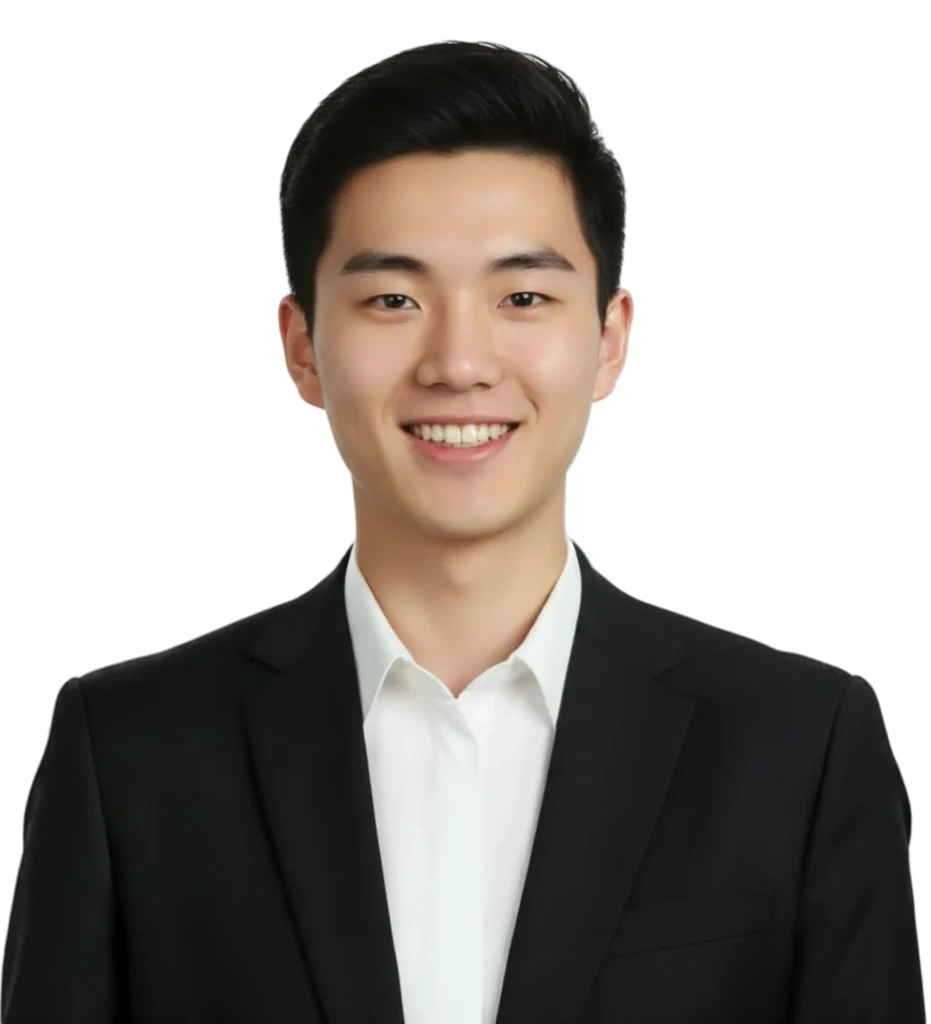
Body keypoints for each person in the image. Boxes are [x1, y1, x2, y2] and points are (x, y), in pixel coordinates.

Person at [1, 36, 925, 1024]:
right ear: (302, 346)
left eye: (522, 297)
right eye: (392, 299)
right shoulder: (131, 751)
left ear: (609, 338)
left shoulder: (798, 744)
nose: (459, 362)